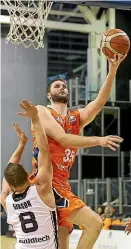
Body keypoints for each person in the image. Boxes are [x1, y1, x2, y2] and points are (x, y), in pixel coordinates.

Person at [29, 54, 126, 249]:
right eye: (57, 86)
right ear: (49, 95)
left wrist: (113, 70)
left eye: (64, 85)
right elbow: (64, 139)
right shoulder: (42, 111)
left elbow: (98, 103)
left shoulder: (75, 118)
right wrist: (99, 139)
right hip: (46, 183)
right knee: (95, 222)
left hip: (62, 185)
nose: (62, 87)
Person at [1, 101, 59, 249]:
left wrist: (21, 144)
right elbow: (44, 150)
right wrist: (35, 118)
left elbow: (9, 171)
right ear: (28, 175)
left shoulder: (6, 200)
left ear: (11, 185)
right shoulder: (42, 189)